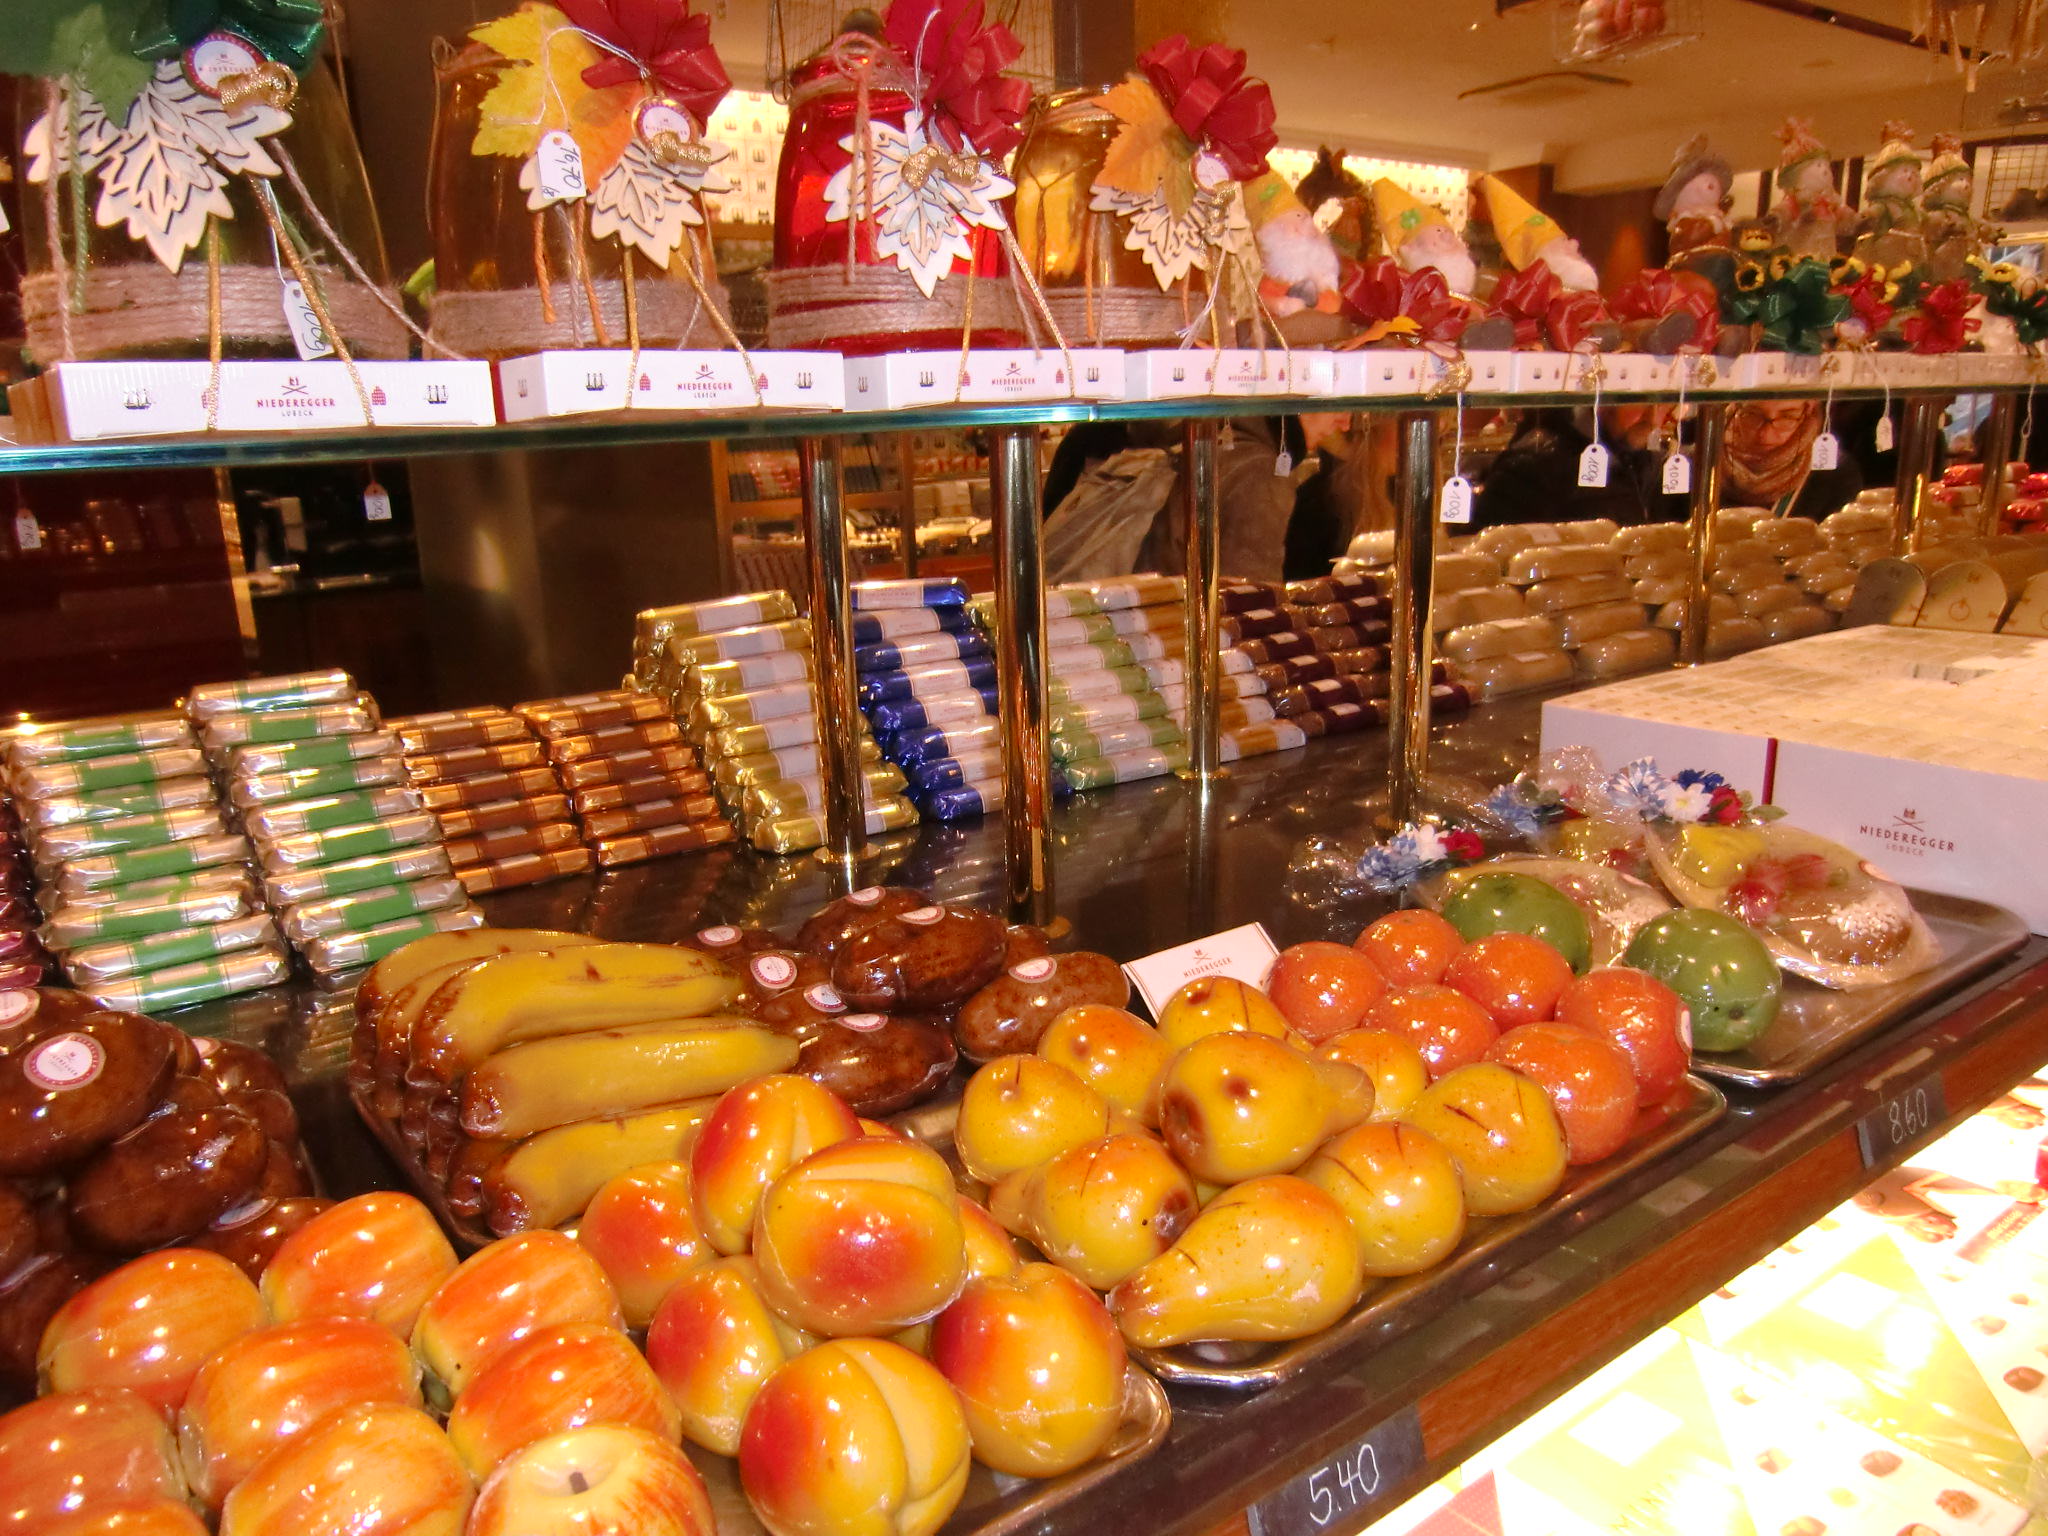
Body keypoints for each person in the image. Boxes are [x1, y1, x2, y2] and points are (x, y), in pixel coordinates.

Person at [1472, 405, 1682, 527]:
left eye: (1665, 404)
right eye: (1641, 402)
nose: (1653, 419)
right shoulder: (1532, 464)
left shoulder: (1650, 461)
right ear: (1604, 401)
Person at [1720, 398, 1862, 516]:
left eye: (1787, 417)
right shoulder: (1709, 454)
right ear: (1733, 408)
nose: (1765, 434)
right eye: (1752, 415)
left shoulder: (1834, 473)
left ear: (1809, 411)